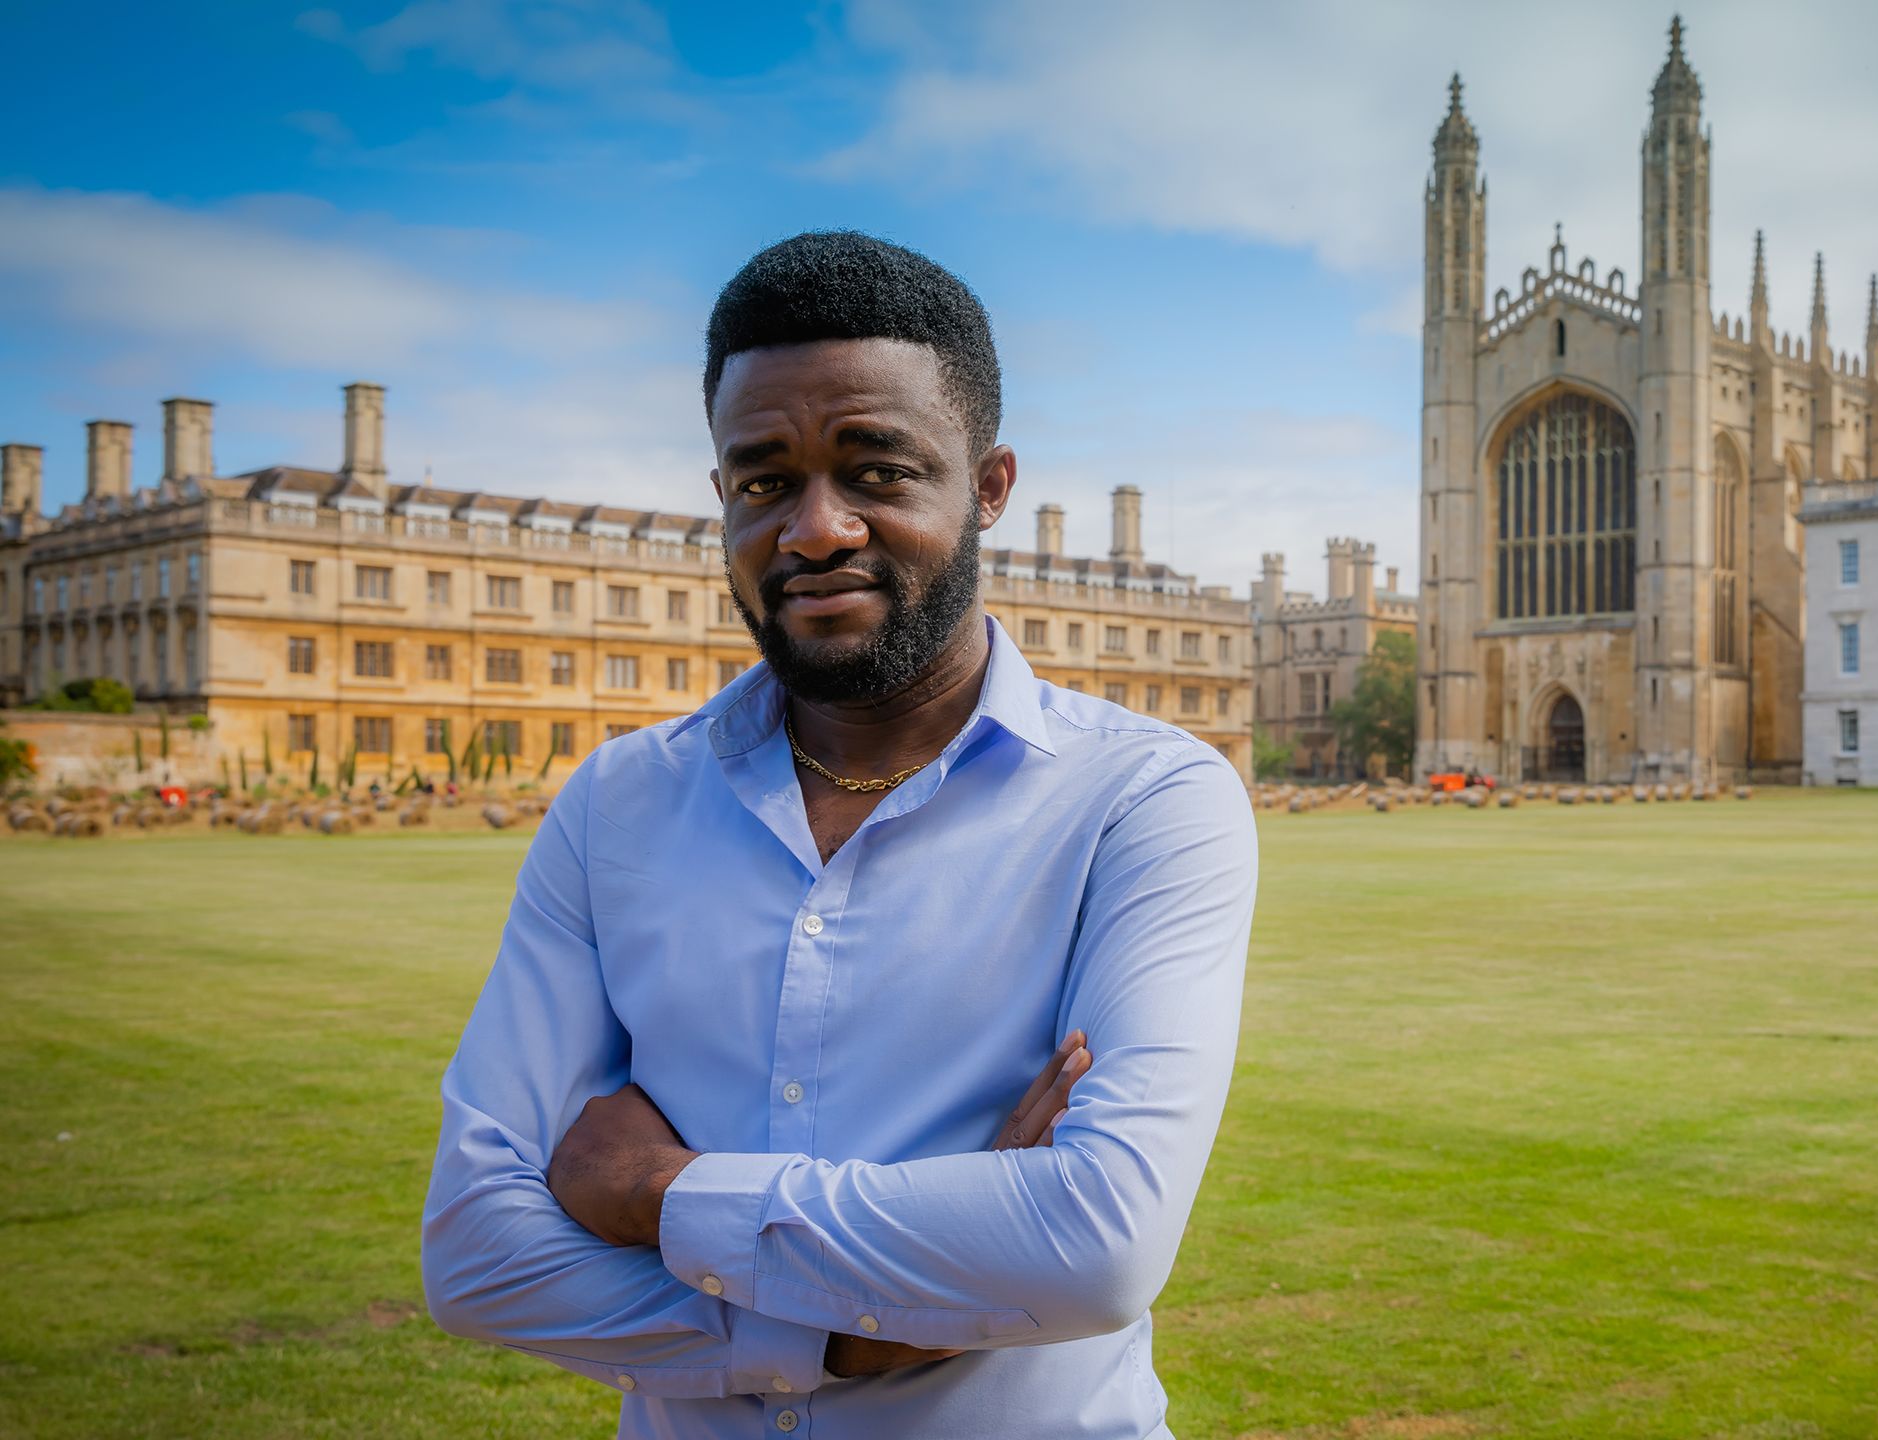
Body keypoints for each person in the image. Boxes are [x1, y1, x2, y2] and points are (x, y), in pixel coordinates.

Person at [422, 231, 1259, 1439]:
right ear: (723, 498)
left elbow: (1093, 1250)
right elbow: (478, 1259)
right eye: (764, 480)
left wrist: (653, 1195)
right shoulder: (618, 803)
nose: (815, 529)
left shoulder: (1143, 799)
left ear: (987, 486)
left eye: (876, 471)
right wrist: (867, 1334)